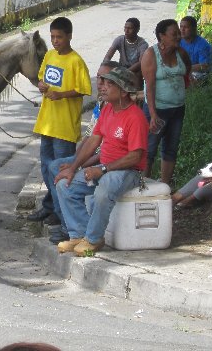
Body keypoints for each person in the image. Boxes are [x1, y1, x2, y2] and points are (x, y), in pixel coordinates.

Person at [54, 66, 148, 256]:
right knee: (65, 185)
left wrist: (103, 169)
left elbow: (135, 156)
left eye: (109, 84)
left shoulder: (135, 117)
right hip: (104, 168)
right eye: (103, 82)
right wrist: (73, 168)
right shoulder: (107, 110)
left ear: (123, 91)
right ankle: (79, 234)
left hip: (128, 172)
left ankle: (94, 239)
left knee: (104, 188)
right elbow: (92, 141)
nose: (103, 87)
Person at [27, 16, 92, 224]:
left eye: (59, 37)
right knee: (47, 170)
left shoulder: (76, 61)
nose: (56, 41)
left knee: (62, 173)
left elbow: (84, 89)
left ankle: (61, 214)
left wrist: (61, 95)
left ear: (69, 36)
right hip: (47, 122)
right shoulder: (49, 56)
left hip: (64, 127)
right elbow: (42, 79)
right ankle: (53, 207)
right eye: (53, 37)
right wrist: (42, 86)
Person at [46, 60, 119, 244]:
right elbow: (90, 137)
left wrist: (77, 165)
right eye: (99, 78)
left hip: (104, 163)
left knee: (63, 175)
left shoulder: (122, 111)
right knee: (55, 167)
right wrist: (75, 161)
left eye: (104, 80)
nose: (100, 83)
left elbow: (105, 153)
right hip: (91, 157)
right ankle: (71, 225)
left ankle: (75, 229)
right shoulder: (102, 105)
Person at [140, 18, 191, 186]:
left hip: (177, 109)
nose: (178, 36)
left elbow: (187, 70)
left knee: (170, 148)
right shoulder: (150, 54)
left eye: (178, 33)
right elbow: (150, 87)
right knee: (149, 150)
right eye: (174, 34)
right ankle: (143, 186)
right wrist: (153, 115)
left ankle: (164, 186)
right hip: (157, 110)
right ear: (161, 36)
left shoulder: (181, 53)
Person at [102, 17, 148, 89]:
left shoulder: (143, 44)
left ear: (137, 29)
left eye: (130, 28)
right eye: (125, 28)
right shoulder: (120, 39)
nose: (126, 31)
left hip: (135, 72)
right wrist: (105, 67)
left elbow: (140, 63)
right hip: (121, 69)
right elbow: (108, 56)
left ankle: (136, 93)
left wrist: (124, 72)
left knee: (138, 74)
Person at [179, 15, 212, 84]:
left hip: (200, 74)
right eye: (181, 27)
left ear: (194, 28)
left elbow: (204, 66)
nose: (182, 30)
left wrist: (185, 69)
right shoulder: (178, 41)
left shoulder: (203, 45)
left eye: (186, 27)